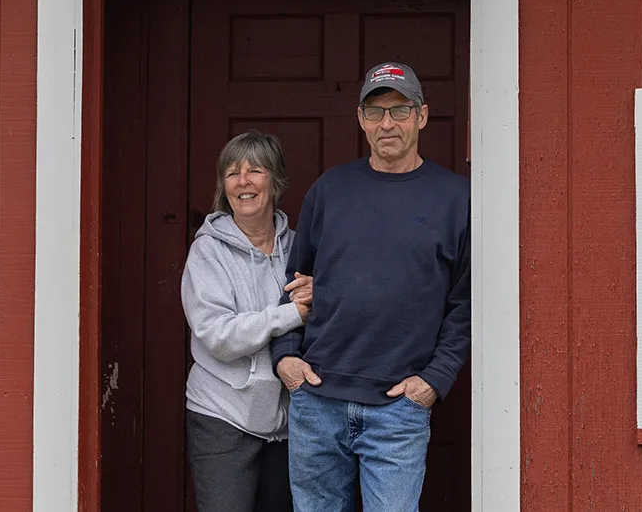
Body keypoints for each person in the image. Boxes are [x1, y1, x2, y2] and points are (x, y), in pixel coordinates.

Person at [271, 61, 470, 512]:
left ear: (422, 116)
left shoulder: (457, 199)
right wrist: (285, 357)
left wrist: (434, 380)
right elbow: (292, 283)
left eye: (400, 111)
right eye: (376, 112)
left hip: (398, 408)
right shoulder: (330, 190)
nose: (388, 124)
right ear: (361, 119)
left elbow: (466, 303)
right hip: (317, 400)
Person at [181, 131, 314, 512]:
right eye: (232, 173)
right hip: (222, 415)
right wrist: (293, 313)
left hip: (289, 420)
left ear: (275, 180)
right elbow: (219, 336)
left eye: (255, 170)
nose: (243, 182)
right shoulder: (207, 252)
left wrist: (318, 296)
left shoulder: (299, 247)